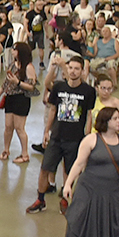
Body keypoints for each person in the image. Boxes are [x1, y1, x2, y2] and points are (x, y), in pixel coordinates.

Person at [58, 107, 119, 237]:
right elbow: (79, 163)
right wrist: (68, 184)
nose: (118, 121)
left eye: (118, 118)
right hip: (89, 187)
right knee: (77, 220)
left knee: (107, 224)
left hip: (112, 190)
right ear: (105, 121)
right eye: (115, 118)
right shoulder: (91, 139)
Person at [27, 56, 91, 213]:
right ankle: (40, 200)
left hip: (75, 138)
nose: (73, 71)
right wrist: (46, 131)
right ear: (66, 69)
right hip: (56, 136)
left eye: (77, 68)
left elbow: (89, 115)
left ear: (82, 71)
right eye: (71, 68)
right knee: (45, 168)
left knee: (70, 171)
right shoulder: (59, 87)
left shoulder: (88, 91)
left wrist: (87, 137)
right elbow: (53, 110)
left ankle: (66, 199)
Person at [1, 42, 37, 164]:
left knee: (19, 128)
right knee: (8, 126)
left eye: (14, 49)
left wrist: (18, 82)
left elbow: (32, 86)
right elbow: (6, 82)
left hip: (22, 99)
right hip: (10, 98)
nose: (12, 51)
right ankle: (6, 150)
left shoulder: (28, 67)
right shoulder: (13, 65)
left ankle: (25, 154)